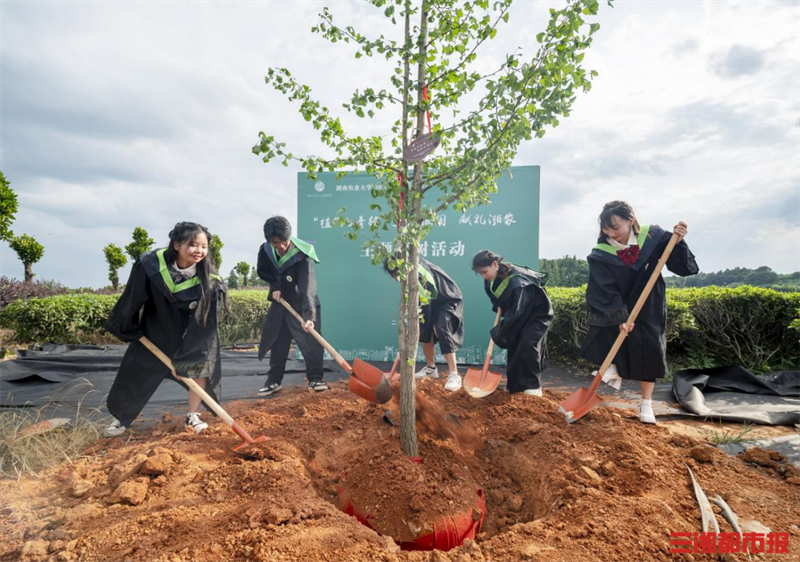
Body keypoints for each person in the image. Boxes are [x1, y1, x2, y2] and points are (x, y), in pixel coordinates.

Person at [103, 222, 227, 437]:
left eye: (204, 246)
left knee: (199, 366)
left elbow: (204, 325)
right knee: (136, 370)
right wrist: (129, 326)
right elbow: (133, 297)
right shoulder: (151, 266)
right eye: (193, 245)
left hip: (195, 334)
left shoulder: (210, 282)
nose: (199, 251)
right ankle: (121, 418)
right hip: (156, 330)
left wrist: (185, 359)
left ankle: (192, 415)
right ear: (176, 244)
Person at [579, 201, 698, 424]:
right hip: (618, 302)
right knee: (609, 337)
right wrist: (619, 316)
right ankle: (612, 370)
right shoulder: (601, 254)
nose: (610, 233)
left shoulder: (654, 238)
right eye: (606, 229)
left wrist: (679, 242)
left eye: (615, 227)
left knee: (649, 348)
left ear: (631, 221)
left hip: (649, 301)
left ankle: (646, 403)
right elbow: (603, 287)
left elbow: (683, 268)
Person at [256, 216, 326, 395]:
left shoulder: (302, 253)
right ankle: (273, 381)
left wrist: (309, 316)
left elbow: (307, 285)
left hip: (302, 304)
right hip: (282, 304)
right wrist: (275, 287)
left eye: (283, 241)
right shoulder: (266, 250)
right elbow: (264, 272)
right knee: (278, 342)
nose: (280, 246)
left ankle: (315, 379)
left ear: (289, 237)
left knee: (310, 343)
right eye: (275, 242)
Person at [471, 251, 553, 396]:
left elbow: (517, 312)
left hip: (537, 314)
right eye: (481, 273)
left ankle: (533, 386)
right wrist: (498, 305)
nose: (484, 276)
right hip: (519, 313)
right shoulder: (491, 280)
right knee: (514, 345)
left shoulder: (517, 281)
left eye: (485, 271)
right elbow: (495, 297)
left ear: (495, 264)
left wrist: (499, 332)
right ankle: (515, 387)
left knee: (528, 344)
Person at [383, 256, 465, 391]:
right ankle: (431, 369)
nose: (397, 281)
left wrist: (414, 328)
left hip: (447, 299)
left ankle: (454, 374)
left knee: (441, 329)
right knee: (425, 332)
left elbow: (424, 305)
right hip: (433, 300)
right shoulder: (410, 267)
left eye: (396, 277)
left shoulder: (418, 277)